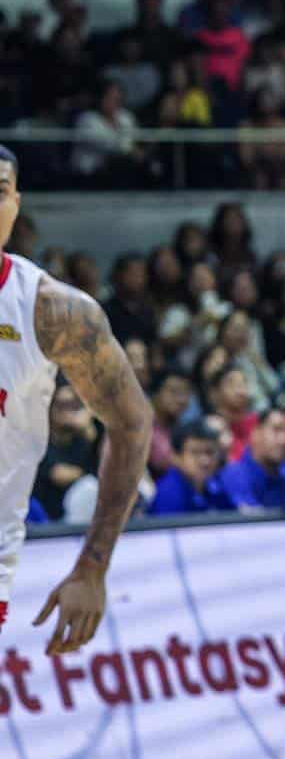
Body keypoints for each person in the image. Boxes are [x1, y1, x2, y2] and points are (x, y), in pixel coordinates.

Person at [0, 156, 150, 654]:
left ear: (16, 205)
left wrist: (93, 564)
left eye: (0, 191)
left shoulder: (53, 311)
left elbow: (132, 422)